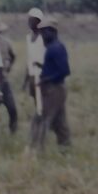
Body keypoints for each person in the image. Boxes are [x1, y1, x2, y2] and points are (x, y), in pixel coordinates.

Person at [29, 17, 71, 151]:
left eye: (44, 32)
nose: (42, 35)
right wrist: (41, 66)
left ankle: (37, 149)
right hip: (54, 87)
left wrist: (46, 79)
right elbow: (55, 67)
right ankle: (65, 148)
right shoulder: (53, 47)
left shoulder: (56, 48)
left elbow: (65, 71)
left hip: (55, 88)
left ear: (52, 31)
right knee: (59, 121)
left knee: (42, 118)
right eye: (41, 32)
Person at [24, 8, 46, 102]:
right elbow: (29, 60)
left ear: (38, 21)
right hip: (32, 76)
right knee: (36, 102)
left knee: (43, 102)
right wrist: (26, 81)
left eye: (31, 20)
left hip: (42, 75)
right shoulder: (28, 38)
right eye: (28, 19)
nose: (29, 22)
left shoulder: (44, 37)